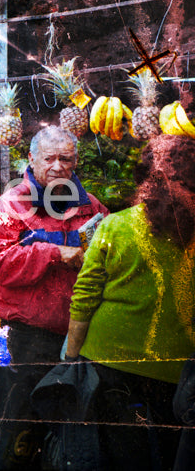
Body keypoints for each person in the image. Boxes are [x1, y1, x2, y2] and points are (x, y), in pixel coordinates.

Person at [0, 125, 109, 469]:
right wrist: (53, 254)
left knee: (71, 435)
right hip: (25, 341)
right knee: (19, 432)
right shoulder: (11, 206)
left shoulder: (93, 208)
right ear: (32, 159)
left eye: (64, 159)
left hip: (79, 340)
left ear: (75, 161)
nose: (56, 166)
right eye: (48, 158)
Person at [65, 134, 195, 470]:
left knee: (122, 454)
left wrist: (70, 356)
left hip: (109, 361)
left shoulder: (115, 225)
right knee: (171, 453)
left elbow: (85, 296)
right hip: (175, 370)